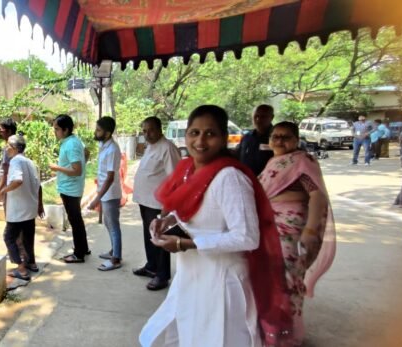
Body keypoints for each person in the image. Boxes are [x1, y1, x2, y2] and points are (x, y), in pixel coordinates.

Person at [139, 105, 292, 347]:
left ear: (223, 139)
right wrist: (167, 220)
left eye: (210, 134)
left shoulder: (230, 178)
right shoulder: (189, 169)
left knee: (218, 338)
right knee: (190, 334)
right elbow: (193, 208)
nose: (200, 140)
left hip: (222, 280)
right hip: (193, 273)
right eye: (194, 132)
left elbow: (247, 237)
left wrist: (185, 243)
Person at [259, 121, 337, 346]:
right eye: (276, 136)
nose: (280, 141)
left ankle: (287, 335)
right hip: (269, 226)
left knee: (288, 280)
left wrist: (310, 230)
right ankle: (271, 330)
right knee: (269, 280)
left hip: (291, 229)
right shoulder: (274, 161)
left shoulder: (302, 161)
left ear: (296, 140)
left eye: (286, 137)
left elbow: (317, 196)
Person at [131, 116, 180, 291]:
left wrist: (168, 207)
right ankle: (151, 266)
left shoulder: (167, 148)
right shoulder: (151, 147)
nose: (147, 134)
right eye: (144, 131)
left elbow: (175, 179)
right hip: (145, 201)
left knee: (159, 237)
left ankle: (162, 275)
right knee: (149, 236)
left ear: (160, 129)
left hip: (157, 203)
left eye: (151, 130)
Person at [0, 133, 44, 281]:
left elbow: (18, 180)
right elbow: (38, 186)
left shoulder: (16, 161)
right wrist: (38, 205)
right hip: (30, 208)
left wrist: (3, 191)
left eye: (8, 146)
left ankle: (21, 269)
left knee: (9, 237)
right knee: (27, 238)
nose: (6, 148)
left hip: (18, 210)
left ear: (14, 148)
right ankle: (31, 263)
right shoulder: (29, 162)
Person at [49, 114, 90, 263]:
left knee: (75, 220)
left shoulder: (71, 144)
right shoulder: (71, 141)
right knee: (77, 220)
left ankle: (79, 254)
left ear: (66, 130)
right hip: (71, 187)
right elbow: (86, 152)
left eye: (57, 129)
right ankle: (83, 248)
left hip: (71, 189)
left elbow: (77, 170)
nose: (55, 132)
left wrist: (57, 167)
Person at [88, 116, 123, 271]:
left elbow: (110, 178)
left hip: (110, 193)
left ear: (108, 133)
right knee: (109, 224)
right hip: (105, 192)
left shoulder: (113, 149)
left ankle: (116, 259)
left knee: (113, 225)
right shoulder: (103, 144)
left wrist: (97, 199)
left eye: (99, 130)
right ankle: (113, 251)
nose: (95, 132)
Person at [236, 104, 275, 176]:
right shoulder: (247, 137)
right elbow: (238, 156)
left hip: (267, 182)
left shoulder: (277, 138)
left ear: (271, 117)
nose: (258, 120)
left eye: (263, 117)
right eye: (256, 116)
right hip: (245, 180)